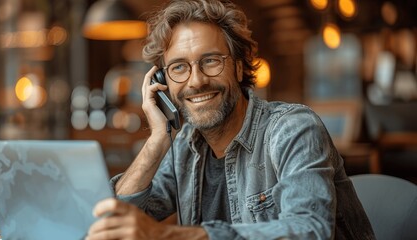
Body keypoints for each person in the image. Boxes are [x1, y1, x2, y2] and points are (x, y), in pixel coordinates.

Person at [87, 0, 375, 239]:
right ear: (162, 82)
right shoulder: (185, 146)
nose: (196, 81)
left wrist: (169, 236)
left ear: (238, 67)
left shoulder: (293, 128)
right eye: (178, 68)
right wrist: (157, 139)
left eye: (211, 60)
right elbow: (114, 218)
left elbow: (309, 231)